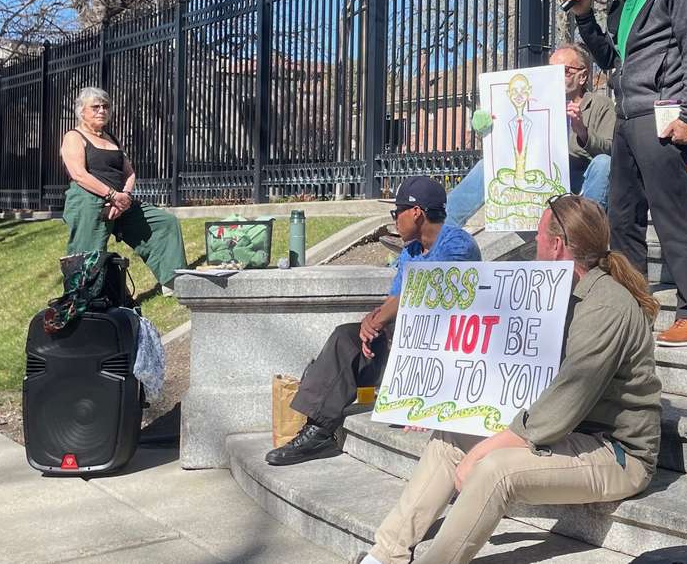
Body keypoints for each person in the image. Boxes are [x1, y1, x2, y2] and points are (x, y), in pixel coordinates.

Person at [359, 195, 662, 564]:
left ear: (556, 245)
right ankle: (384, 555)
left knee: (493, 471)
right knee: (451, 435)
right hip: (568, 434)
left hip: (616, 454)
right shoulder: (555, 293)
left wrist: (485, 450)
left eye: (538, 237)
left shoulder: (606, 307)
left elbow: (565, 401)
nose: (534, 245)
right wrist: (433, 402)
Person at [563, 0, 687, 347]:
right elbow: (612, 61)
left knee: (671, 215)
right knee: (624, 218)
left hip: (661, 115)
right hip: (627, 116)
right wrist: (586, 17)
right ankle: (634, 303)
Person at [266, 176, 481, 466]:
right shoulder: (411, 250)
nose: (395, 221)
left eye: (397, 213)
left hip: (442, 348)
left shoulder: (458, 244)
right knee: (347, 337)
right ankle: (318, 432)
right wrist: (372, 321)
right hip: (404, 340)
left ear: (416, 213)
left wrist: (380, 320)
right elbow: (395, 298)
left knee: (370, 333)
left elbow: (426, 290)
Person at [445, 43, 615, 226]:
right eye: (551, 71)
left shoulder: (600, 105)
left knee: (604, 163)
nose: (555, 76)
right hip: (537, 170)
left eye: (564, 71)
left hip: (577, 178)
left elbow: (612, 148)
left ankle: (586, 231)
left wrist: (583, 132)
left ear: (582, 76)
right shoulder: (529, 101)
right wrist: (490, 125)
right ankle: (441, 227)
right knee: (486, 166)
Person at [59, 87, 186, 294]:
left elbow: (129, 173)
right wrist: (111, 195)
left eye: (105, 106)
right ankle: (80, 300)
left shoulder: (111, 138)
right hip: (87, 200)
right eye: (95, 107)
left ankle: (173, 281)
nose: (102, 110)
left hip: (119, 200)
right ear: (82, 111)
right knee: (87, 255)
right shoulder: (74, 136)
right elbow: (79, 174)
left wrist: (124, 197)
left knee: (164, 222)